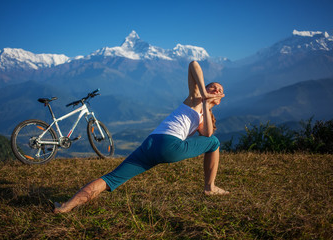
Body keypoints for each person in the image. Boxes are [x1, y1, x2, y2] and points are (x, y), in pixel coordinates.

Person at [54, 61, 228, 214]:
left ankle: (65, 207)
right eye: (213, 87)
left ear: (219, 100)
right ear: (204, 88)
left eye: (219, 90)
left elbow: (207, 135)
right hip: (168, 144)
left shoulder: (203, 113)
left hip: (151, 143)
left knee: (111, 179)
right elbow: (193, 64)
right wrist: (203, 97)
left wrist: (207, 103)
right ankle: (209, 187)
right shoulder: (194, 97)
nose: (216, 90)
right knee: (215, 143)